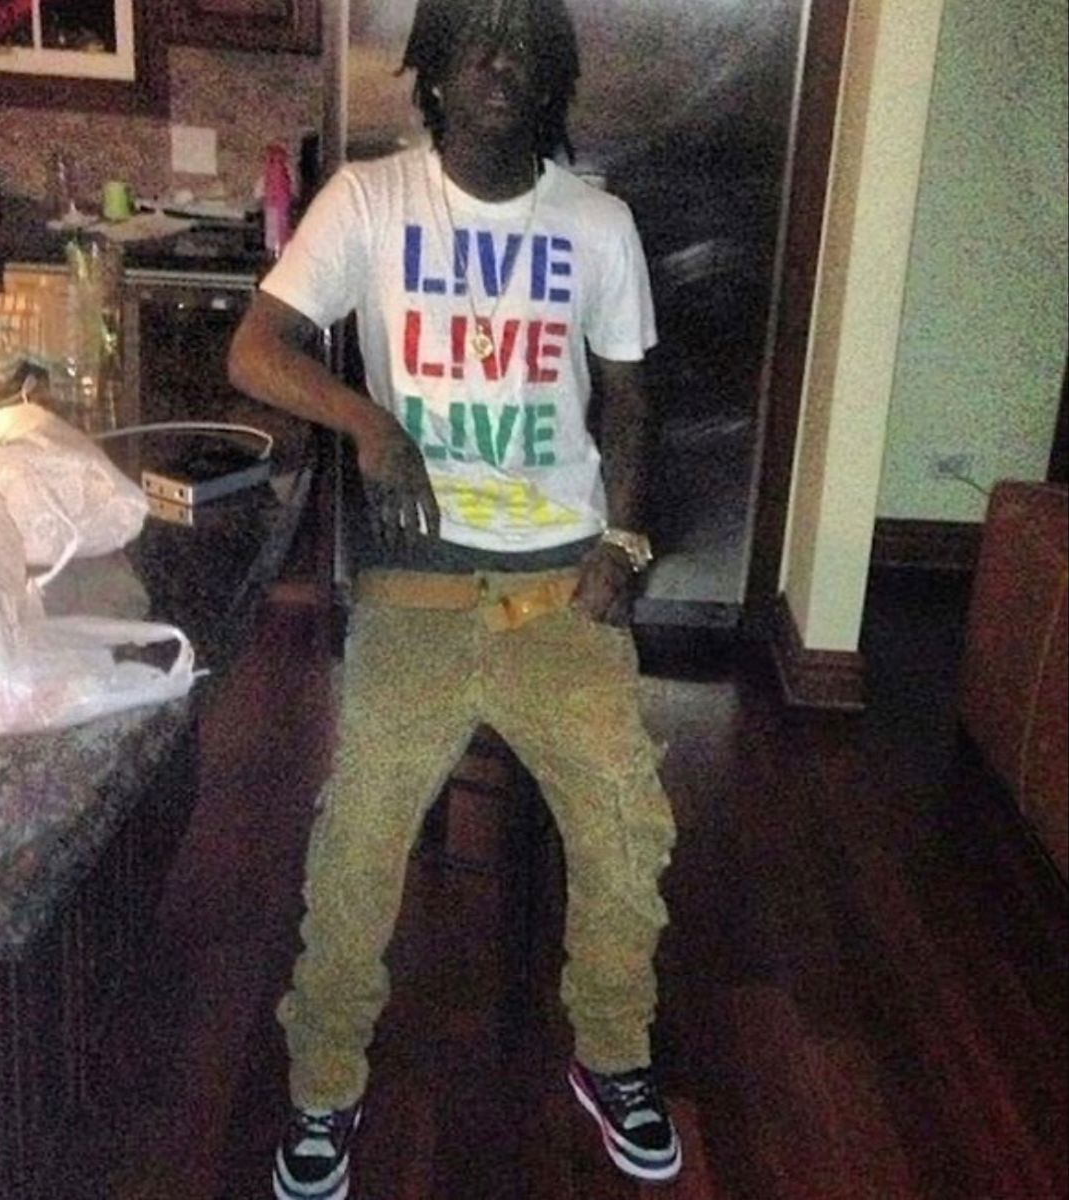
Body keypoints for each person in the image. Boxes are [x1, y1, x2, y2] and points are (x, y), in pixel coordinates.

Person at [228, 1, 680, 1196]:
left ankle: (613, 1055)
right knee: (358, 837)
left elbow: (632, 404)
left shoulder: (598, 223)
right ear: (429, 65)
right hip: (418, 585)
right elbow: (256, 349)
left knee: (627, 824)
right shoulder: (370, 201)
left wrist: (624, 542)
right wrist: (369, 423)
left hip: (560, 581)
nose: (499, 58)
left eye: (524, 40)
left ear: (554, 73)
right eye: (474, 33)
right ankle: (325, 1082)